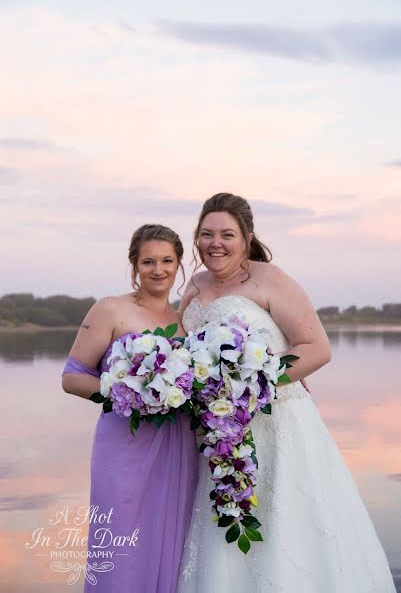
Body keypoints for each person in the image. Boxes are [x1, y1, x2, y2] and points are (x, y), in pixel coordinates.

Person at [177, 193, 396, 592]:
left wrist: (256, 379)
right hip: (221, 432)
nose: (215, 243)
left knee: (288, 522)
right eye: (206, 234)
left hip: (279, 424)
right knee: (226, 521)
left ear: (246, 237)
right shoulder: (194, 285)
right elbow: (186, 355)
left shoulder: (270, 279)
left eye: (227, 234)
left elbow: (316, 348)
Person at [62, 224, 198, 593]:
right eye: (149, 261)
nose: (159, 270)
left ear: (180, 264)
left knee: (171, 533)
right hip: (124, 442)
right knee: (121, 538)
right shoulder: (110, 309)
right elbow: (72, 377)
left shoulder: (185, 320)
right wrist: (125, 394)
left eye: (168, 260)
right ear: (134, 265)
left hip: (176, 444)